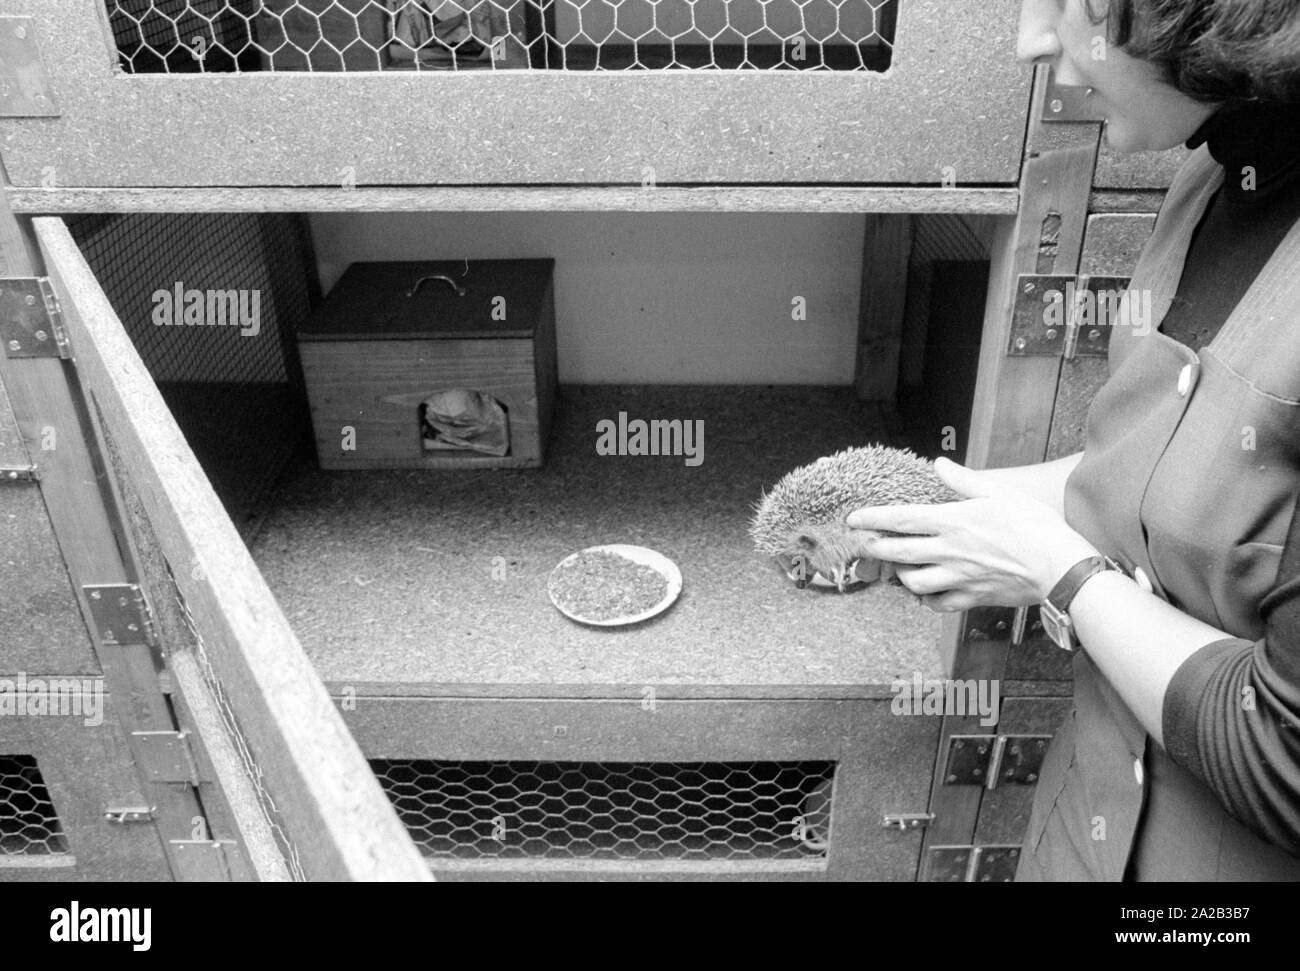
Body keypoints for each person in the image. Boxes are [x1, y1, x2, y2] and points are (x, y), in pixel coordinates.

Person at [848, 0, 1300, 880]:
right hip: (1084, 826)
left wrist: (1057, 572)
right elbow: (1149, 475)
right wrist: (929, 500)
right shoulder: (1214, 171)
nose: (1029, 40)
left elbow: (1284, 764)